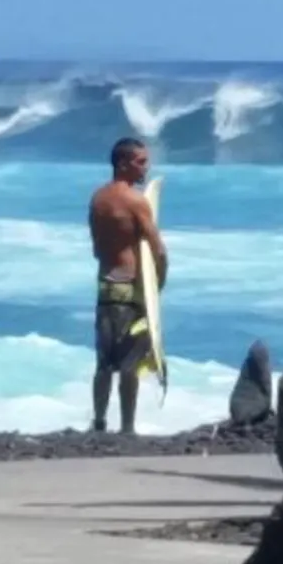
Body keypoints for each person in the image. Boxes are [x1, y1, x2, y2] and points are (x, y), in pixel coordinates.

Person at [86, 136, 168, 433]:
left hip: (105, 287)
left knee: (104, 362)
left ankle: (98, 423)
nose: (146, 167)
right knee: (130, 363)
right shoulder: (135, 201)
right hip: (130, 290)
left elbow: (97, 248)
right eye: (140, 162)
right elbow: (157, 250)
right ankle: (127, 428)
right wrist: (157, 286)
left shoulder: (98, 199)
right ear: (123, 163)